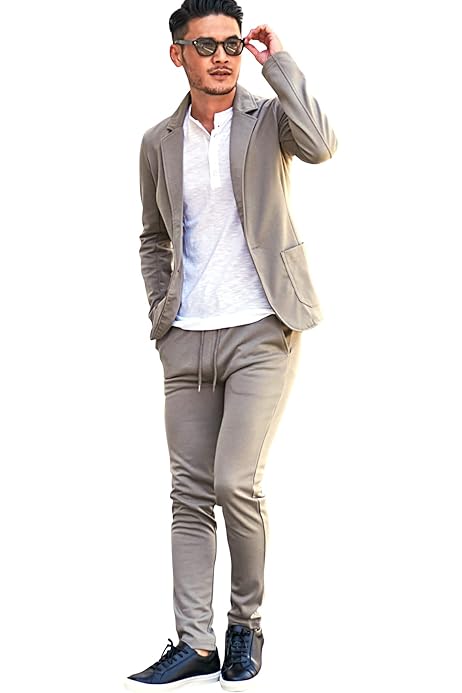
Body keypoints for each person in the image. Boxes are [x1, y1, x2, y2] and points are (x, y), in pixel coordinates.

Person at [125, 1, 337, 690]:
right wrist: (161, 311)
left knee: (233, 482)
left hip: (261, 326)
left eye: (232, 43)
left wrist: (280, 64)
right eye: (206, 44)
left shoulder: (268, 117)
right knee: (188, 493)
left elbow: (321, 143)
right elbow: (154, 235)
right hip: (186, 336)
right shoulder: (158, 141)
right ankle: (195, 641)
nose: (222, 56)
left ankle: (245, 623)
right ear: (177, 54)